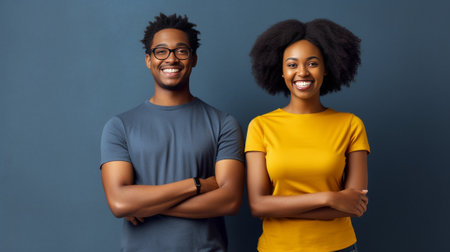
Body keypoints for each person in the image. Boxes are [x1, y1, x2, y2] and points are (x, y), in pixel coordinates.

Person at [100, 13, 244, 252]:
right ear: (148, 60)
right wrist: (197, 185)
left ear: (194, 59)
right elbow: (118, 202)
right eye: (161, 51)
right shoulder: (119, 126)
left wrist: (142, 205)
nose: (171, 59)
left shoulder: (224, 123)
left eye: (181, 51)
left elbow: (230, 201)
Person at [245, 19, 370, 252]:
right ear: (281, 71)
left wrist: (281, 206)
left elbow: (354, 205)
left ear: (326, 68)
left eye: (312, 63)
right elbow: (259, 205)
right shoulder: (260, 126)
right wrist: (329, 198)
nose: (302, 72)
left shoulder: (350, 125)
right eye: (292, 65)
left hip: (339, 247)